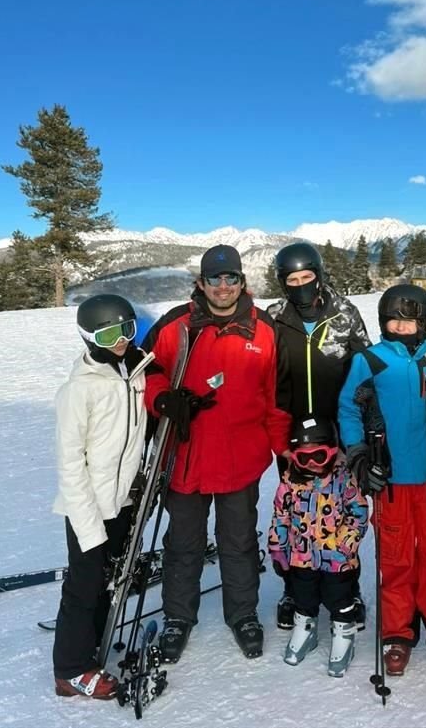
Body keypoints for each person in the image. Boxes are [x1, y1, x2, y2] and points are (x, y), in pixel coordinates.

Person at [142, 244, 291, 663]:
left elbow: (276, 398)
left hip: (240, 459)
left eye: (231, 279)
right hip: (185, 456)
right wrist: (164, 401)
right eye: (214, 279)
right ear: (201, 283)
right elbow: (148, 371)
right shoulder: (177, 325)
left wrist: (283, 453)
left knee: (239, 541)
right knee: (184, 543)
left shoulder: (264, 330)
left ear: (242, 282)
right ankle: (177, 617)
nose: (223, 287)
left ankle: (242, 615)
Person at [338, 284, 426, 683]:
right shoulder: (370, 360)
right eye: (393, 319)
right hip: (390, 482)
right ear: (382, 322)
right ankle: (397, 633)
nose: (401, 326)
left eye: (409, 320)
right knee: (395, 560)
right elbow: (349, 409)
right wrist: (359, 456)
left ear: (423, 321)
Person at [52, 294, 156, 700]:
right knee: (84, 584)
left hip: (122, 501)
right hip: (88, 505)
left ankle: (92, 645)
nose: (121, 341)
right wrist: (87, 520)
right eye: (110, 334)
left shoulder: (134, 372)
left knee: (109, 579)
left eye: (127, 330)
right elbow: (69, 464)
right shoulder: (78, 390)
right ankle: (71, 670)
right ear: (88, 338)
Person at [266, 241, 371, 629]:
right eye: (291, 280)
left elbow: (365, 367)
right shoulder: (275, 317)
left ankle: (346, 587)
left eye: (306, 277)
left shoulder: (344, 313)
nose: (300, 286)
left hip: (338, 433)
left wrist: (367, 419)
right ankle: (296, 588)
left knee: (341, 512)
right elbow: (264, 373)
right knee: (295, 513)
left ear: (319, 275)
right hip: (294, 438)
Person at [268, 417, 368, 677]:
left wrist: (346, 544)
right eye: (304, 459)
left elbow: (358, 512)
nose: (312, 464)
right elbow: (281, 516)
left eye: (320, 456)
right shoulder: (289, 482)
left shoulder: (343, 479)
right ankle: (305, 628)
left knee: (339, 596)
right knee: (303, 594)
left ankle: (343, 632)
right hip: (302, 557)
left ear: (333, 452)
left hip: (337, 559)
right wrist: (278, 547)